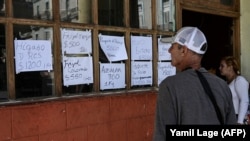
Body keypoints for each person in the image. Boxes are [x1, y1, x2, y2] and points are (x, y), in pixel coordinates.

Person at [153, 27, 236, 141]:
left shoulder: (169, 86)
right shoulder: (222, 85)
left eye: (173, 46)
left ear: (183, 50)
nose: (169, 50)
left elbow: (162, 135)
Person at [219, 56, 249, 124]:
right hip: (229, 117)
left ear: (230, 67)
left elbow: (244, 100)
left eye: (222, 66)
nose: (219, 68)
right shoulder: (226, 83)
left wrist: (240, 121)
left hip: (237, 117)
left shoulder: (239, 80)